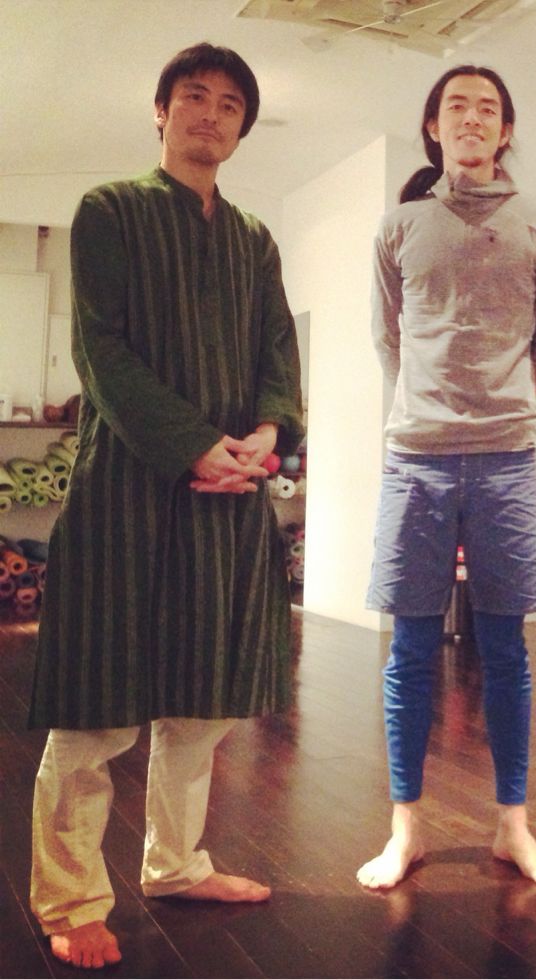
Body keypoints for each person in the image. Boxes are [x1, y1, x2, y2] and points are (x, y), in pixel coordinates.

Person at [28, 43, 305, 968]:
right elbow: (100, 351)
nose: (211, 114)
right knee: (99, 701)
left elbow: (276, 348)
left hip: (228, 500)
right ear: (161, 109)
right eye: (195, 96)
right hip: (124, 490)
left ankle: (177, 863)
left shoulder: (255, 238)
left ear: (243, 126)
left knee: (203, 696)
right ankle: (71, 897)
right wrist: (192, 444)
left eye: (230, 104)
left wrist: (267, 433)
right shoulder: (109, 211)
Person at [357, 65, 536, 890]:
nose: (472, 118)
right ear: (434, 127)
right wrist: (430, 405)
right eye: (457, 106)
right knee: (410, 648)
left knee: (507, 648)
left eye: (488, 108)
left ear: (505, 130)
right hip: (415, 457)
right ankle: (405, 827)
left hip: (506, 457)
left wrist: (496, 405)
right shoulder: (399, 226)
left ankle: (512, 826)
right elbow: (388, 339)